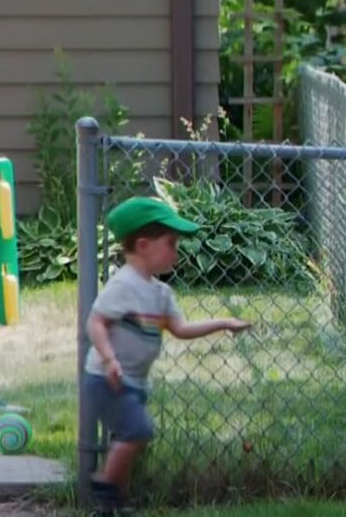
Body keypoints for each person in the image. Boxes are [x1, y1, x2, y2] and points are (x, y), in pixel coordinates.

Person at [83, 197, 250, 511]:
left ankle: (111, 500)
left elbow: (180, 329)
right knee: (138, 431)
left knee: (132, 436)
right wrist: (109, 359)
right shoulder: (123, 286)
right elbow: (96, 322)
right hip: (106, 378)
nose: (176, 252)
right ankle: (105, 489)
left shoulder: (161, 293)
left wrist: (224, 323)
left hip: (133, 382)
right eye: (171, 243)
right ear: (144, 245)